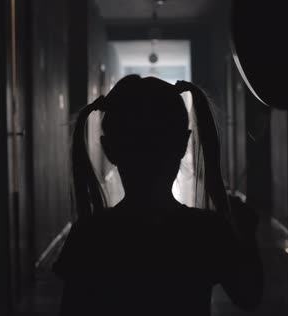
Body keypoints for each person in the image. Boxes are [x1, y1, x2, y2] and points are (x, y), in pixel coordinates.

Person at [53, 75, 263, 316]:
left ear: (109, 148)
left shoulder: (90, 234)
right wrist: (245, 232)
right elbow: (249, 295)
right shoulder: (205, 230)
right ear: (183, 144)